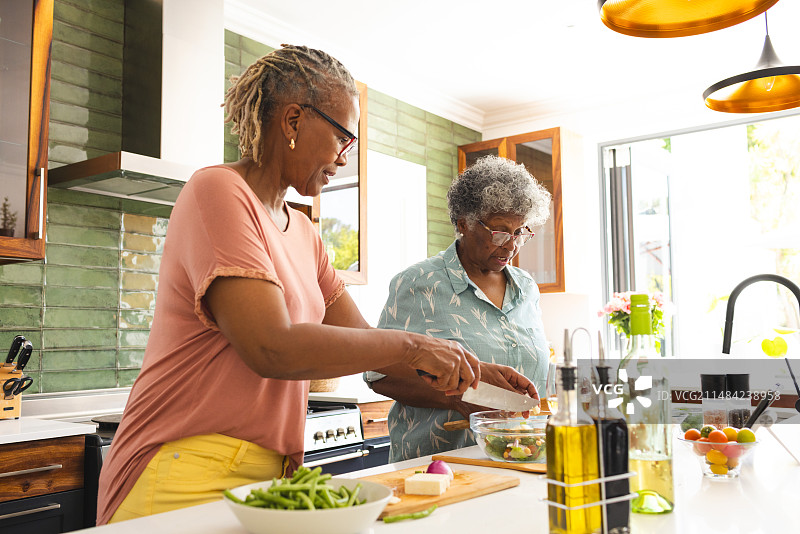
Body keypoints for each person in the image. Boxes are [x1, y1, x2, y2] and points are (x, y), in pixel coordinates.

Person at [96, 44, 498, 524]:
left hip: (268, 479)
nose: (344, 159)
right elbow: (270, 346)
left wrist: (478, 376)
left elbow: (369, 346)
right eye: (343, 138)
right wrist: (415, 345)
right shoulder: (218, 191)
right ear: (292, 121)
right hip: (181, 469)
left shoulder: (304, 232)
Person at [365, 155, 552, 462]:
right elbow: (379, 373)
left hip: (520, 461)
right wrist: (458, 398)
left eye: (521, 232)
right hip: (438, 466)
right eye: (500, 232)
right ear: (465, 223)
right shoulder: (418, 282)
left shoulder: (526, 287)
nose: (511, 245)